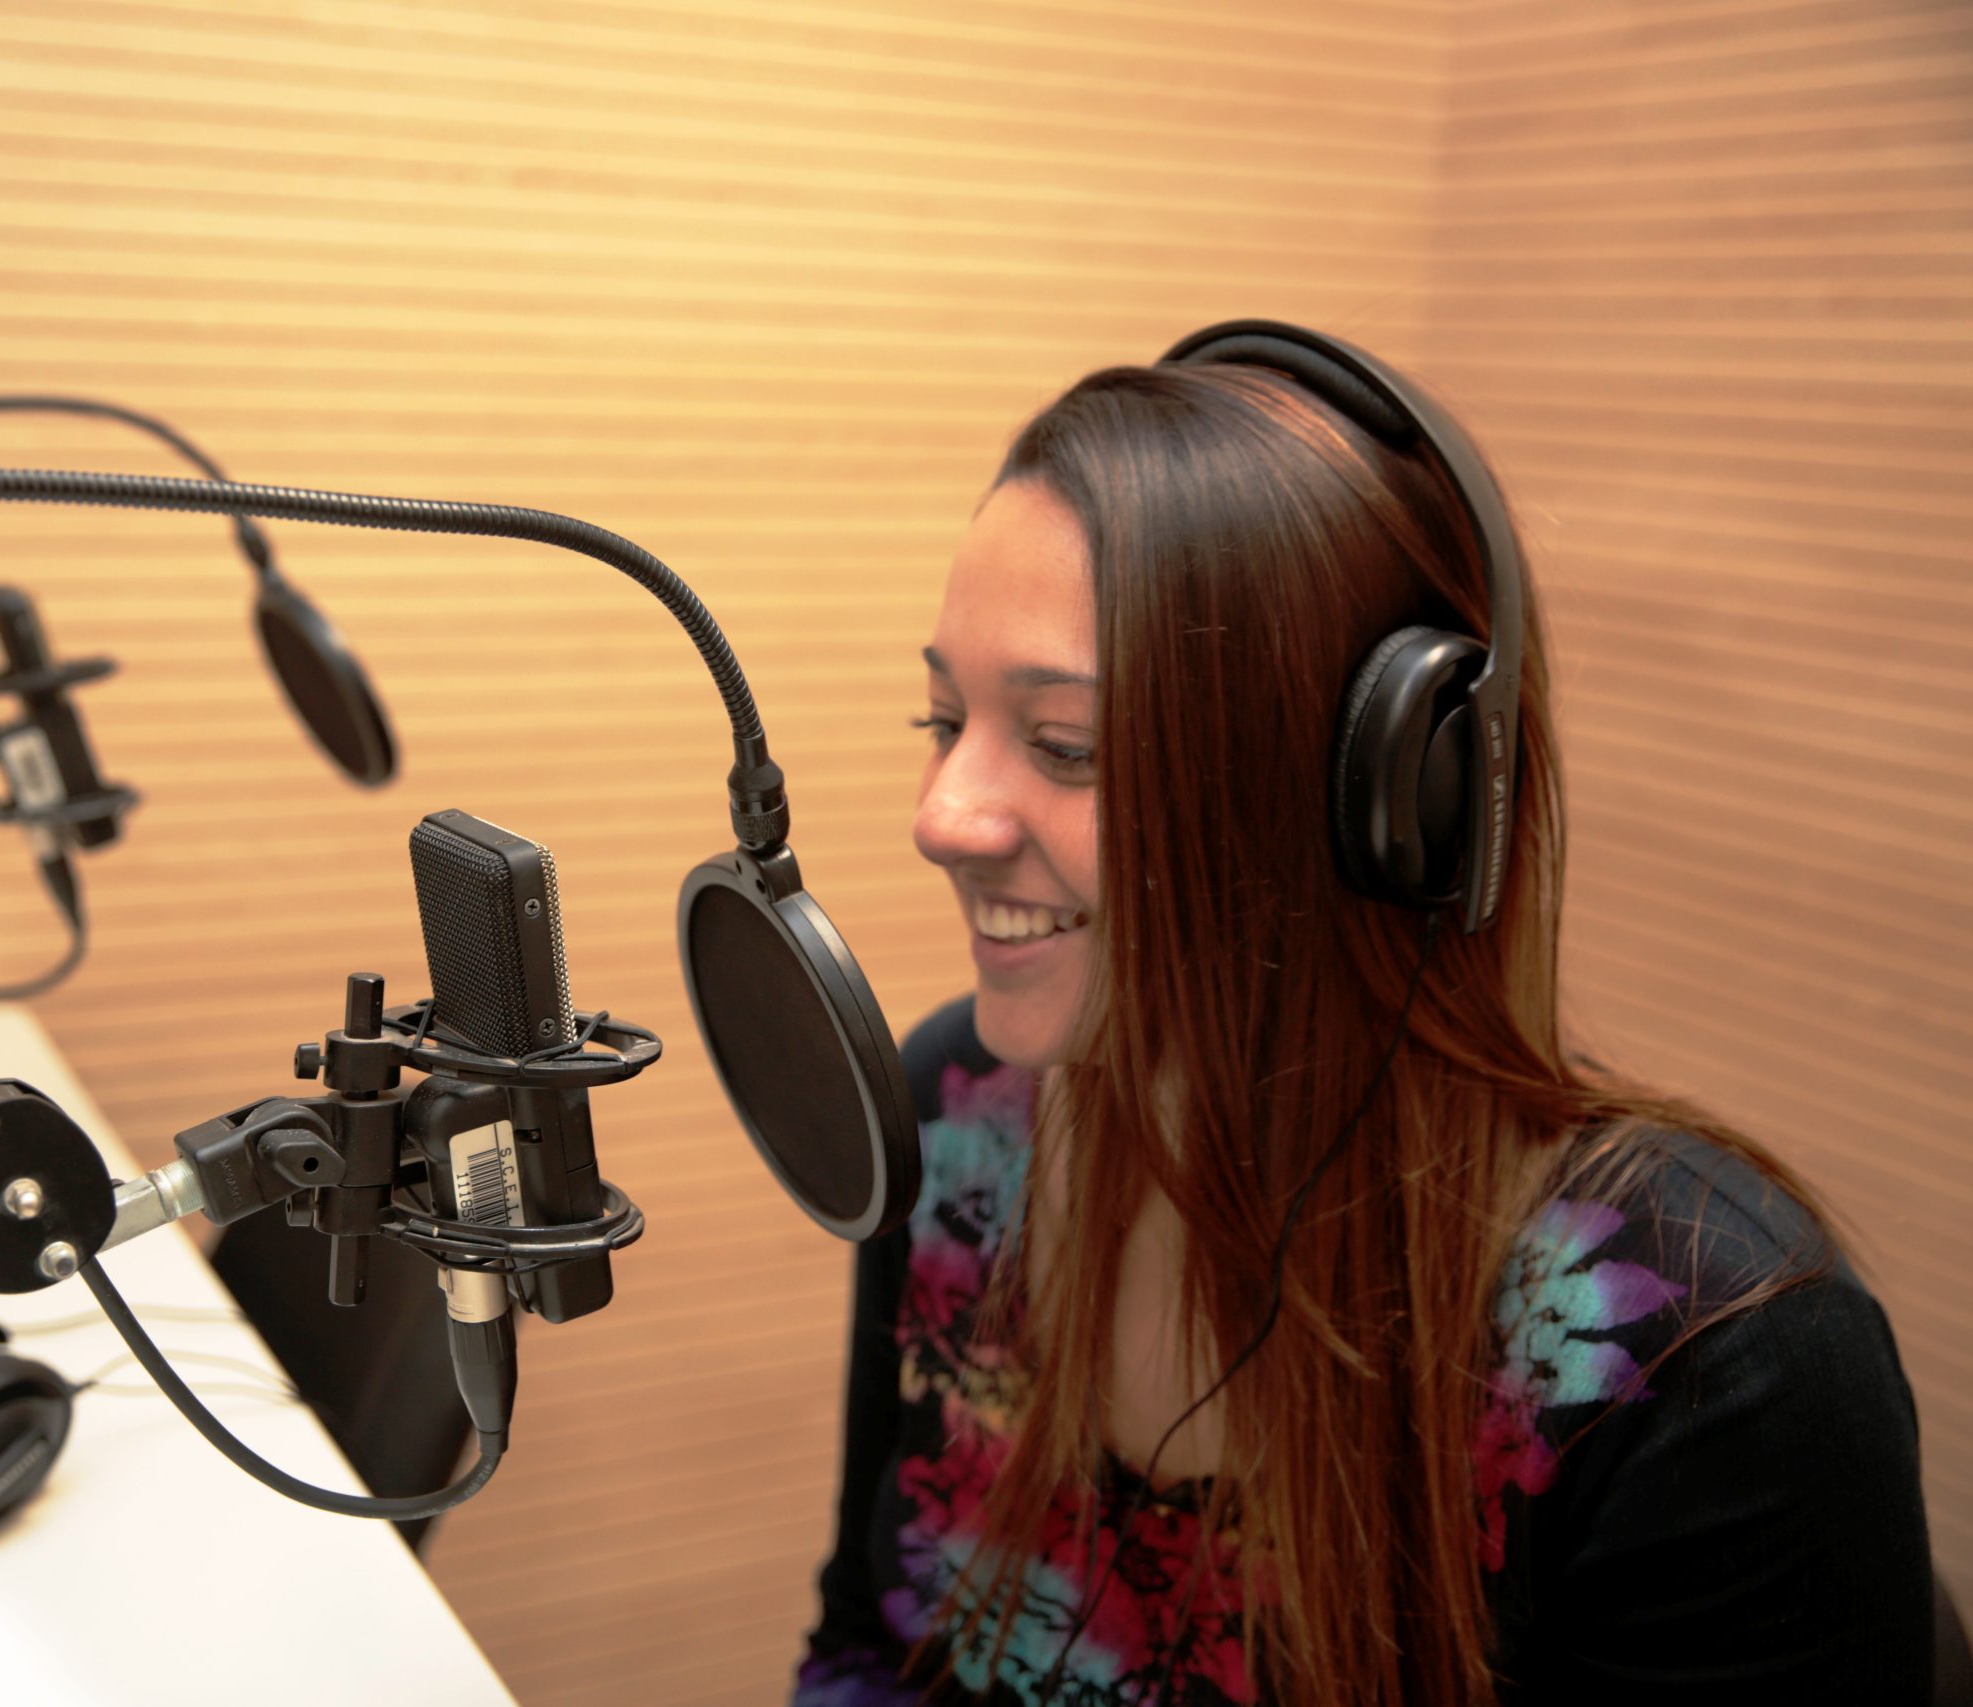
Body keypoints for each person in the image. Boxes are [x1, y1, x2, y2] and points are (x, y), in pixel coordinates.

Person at [792, 324, 1935, 1705]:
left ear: (1385, 798)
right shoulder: (955, 1119)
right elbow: (873, 1646)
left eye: (1065, 747)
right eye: (942, 723)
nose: (943, 818)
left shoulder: (1712, 1366)